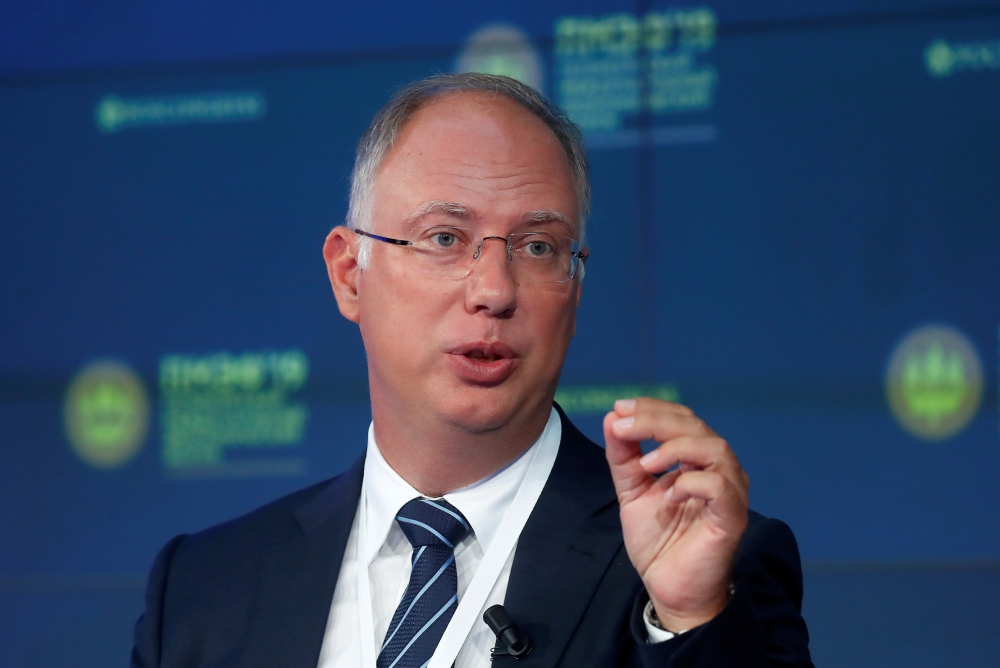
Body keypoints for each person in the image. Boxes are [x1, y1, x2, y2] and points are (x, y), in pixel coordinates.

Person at [131, 73, 813, 668]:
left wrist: (691, 621)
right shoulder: (203, 588)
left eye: (538, 246)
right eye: (445, 238)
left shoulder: (703, 567)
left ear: (574, 290)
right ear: (349, 275)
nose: (494, 289)